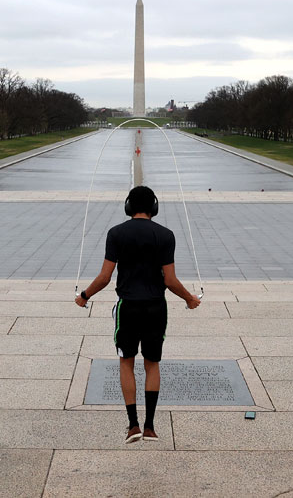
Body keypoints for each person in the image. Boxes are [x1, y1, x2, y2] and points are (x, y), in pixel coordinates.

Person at [75, 186, 201, 444]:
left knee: (126, 361)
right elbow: (170, 279)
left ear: (128, 207)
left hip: (128, 307)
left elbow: (105, 277)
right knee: (152, 363)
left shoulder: (116, 233)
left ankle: (133, 425)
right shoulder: (166, 235)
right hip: (156, 307)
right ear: (154, 207)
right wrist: (189, 299)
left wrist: (85, 295)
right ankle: (151, 426)